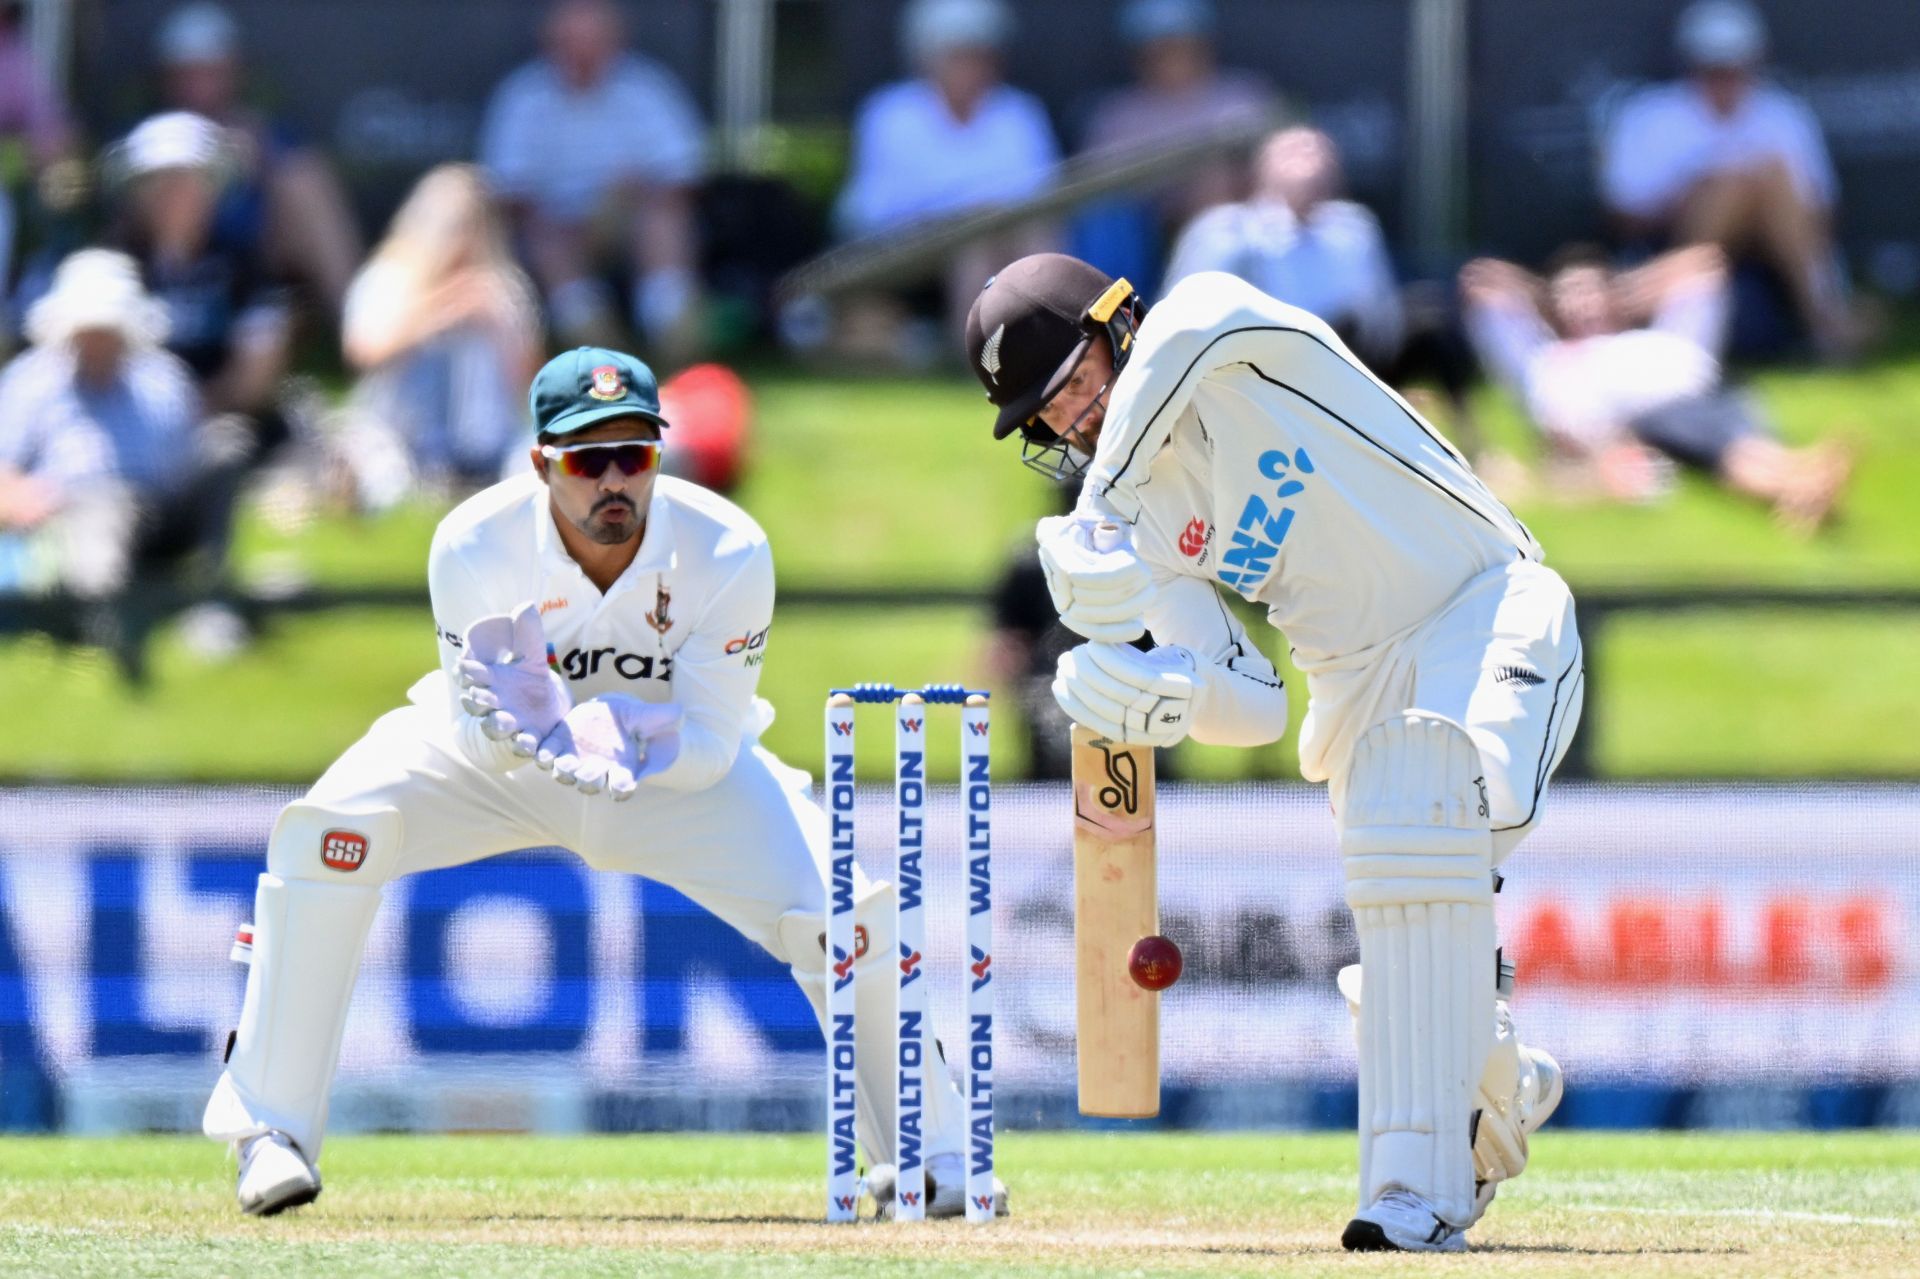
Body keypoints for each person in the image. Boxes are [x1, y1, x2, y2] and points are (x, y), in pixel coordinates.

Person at [200, 345, 1007, 1221]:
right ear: (542, 462)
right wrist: (534, 732)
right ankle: (268, 1131)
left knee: (846, 909)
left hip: (668, 778)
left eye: (637, 455)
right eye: (589, 461)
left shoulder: (728, 549)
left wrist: (630, 738)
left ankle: (935, 1154)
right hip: (499, 772)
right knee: (326, 835)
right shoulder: (473, 541)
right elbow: (476, 738)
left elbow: (712, 742)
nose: (615, 481)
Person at [964, 254, 1575, 1251]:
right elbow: (1246, 700)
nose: (1068, 420)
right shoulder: (1147, 516)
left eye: (1072, 383)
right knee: (1408, 891)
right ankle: (1492, 1077)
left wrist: (1099, 511)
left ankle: (1417, 1195)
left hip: (1483, 605)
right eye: (1045, 413)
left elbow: (1197, 320)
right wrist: (1168, 694)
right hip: (1353, 683)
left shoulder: (1228, 336)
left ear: (1119, 327)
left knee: (1438, 810)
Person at [1460, 245, 1851, 531]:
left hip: (1718, 395)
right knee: (1729, 451)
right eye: (1571, 294)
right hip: (1655, 417)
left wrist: (1626, 292)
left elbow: (1706, 265)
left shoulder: (1661, 336)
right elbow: (1480, 284)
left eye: (1592, 291)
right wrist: (1542, 294)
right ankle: (1799, 480)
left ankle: (1799, 488)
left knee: (1740, 444)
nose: (1583, 302)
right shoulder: (1547, 360)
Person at [0, 249, 248, 659]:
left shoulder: (164, 379)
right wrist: (19, 495)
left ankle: (211, 594)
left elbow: (187, 455)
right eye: (89, 330)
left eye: (107, 330)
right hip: (77, 515)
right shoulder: (31, 382)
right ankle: (110, 627)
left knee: (227, 443)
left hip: (162, 513)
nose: (98, 341)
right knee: (104, 510)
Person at [1598, 0, 1852, 358]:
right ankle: (1827, 324)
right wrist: (1702, 194)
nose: (1725, 78)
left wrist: (1756, 211)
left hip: (1769, 262)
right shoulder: (1649, 115)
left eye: (1735, 65)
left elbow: (1821, 211)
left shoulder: (1783, 112)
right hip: (1669, 252)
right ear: (1690, 62)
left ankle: (1823, 322)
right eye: (1713, 67)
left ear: (1755, 60)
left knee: (1767, 177)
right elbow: (1623, 216)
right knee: (1736, 185)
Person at [479, 0, 706, 352]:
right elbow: (506, 190)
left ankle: (674, 333)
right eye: (572, 42)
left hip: (632, 216)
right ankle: (588, 334)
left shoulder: (649, 89)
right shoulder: (522, 96)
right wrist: (564, 218)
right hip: (555, 226)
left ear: (616, 42)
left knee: (665, 222)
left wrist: (629, 199)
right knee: (544, 236)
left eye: (593, 41)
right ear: (550, 44)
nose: (583, 53)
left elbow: (683, 177)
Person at [834, 0, 1059, 348]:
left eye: (981, 54)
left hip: (1003, 238)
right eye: (959, 54)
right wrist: (962, 212)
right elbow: (873, 207)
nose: (972, 66)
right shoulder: (890, 113)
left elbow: (1042, 194)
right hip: (901, 248)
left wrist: (986, 214)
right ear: (926, 57)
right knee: (973, 244)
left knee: (1033, 240)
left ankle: (1047, 350)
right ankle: (972, 354)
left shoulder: (1019, 112)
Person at [338, 164, 542, 509]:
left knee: (537, 468)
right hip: (397, 431)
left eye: (473, 226)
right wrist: (438, 311)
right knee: (384, 485)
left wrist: (499, 327)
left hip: (488, 439)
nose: (461, 240)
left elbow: (534, 386)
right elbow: (363, 352)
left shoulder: (503, 286)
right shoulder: (387, 277)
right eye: (453, 227)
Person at [107, 110, 297, 464]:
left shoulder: (244, 264)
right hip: (123, 424)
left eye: (188, 182)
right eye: (161, 183)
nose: (175, 196)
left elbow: (255, 373)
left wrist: (199, 410)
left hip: (221, 423)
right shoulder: (111, 264)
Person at [151, 2, 363, 318]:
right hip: (180, 268)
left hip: (257, 266)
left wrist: (258, 160)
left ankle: (358, 321)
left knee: (305, 180)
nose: (201, 85)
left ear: (234, 70)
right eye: (189, 73)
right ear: (168, 77)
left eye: (212, 72)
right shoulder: (149, 136)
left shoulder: (265, 133)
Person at [1073, 0, 1277, 290]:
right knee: (1106, 221)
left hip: (1237, 226)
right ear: (1140, 55)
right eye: (1160, 48)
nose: (1173, 57)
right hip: (1150, 240)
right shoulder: (1117, 114)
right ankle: (1114, 322)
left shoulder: (1241, 96)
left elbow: (1277, 169)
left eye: (1182, 45)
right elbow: (1092, 190)